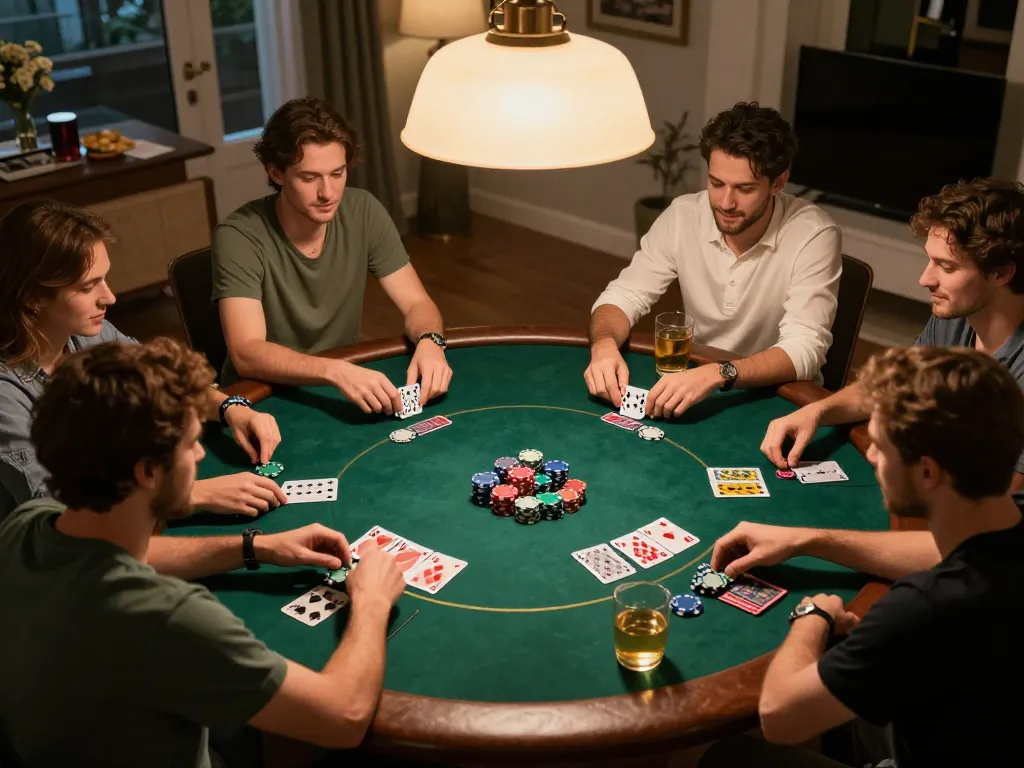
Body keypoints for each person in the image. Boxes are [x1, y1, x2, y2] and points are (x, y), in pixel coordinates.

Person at [0, 338, 407, 766]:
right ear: (148, 472)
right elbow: (344, 717)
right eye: (191, 442)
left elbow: (120, 560)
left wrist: (253, 547)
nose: (199, 453)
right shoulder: (164, 617)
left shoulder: (27, 525)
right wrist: (372, 601)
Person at [700, 345, 1023, 768]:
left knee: (731, 757)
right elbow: (935, 553)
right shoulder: (1000, 529)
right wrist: (805, 539)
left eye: (881, 446)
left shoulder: (924, 607)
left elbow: (780, 717)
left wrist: (814, 615)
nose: (869, 454)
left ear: (928, 473)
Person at [0, 200, 288, 524]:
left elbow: (163, 385)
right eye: (87, 286)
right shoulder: (4, 394)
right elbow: (60, 515)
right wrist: (196, 494)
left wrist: (231, 408)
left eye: (104, 279)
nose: (109, 297)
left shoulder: (88, 334)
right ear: (32, 298)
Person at [761, 177, 1024, 490]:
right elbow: (895, 385)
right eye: (930, 260)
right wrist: (817, 411)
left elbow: (999, 492)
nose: (925, 279)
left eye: (947, 267)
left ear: (1000, 272)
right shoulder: (958, 318)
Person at [585, 101, 841, 418]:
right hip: (698, 385)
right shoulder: (683, 215)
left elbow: (806, 349)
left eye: (744, 189)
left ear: (778, 183)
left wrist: (719, 373)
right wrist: (604, 344)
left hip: (780, 398)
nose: (725, 202)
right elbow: (624, 295)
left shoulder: (814, 234)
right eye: (716, 183)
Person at [213, 96, 452, 413]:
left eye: (337, 174)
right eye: (309, 178)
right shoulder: (238, 235)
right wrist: (333, 370)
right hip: (259, 396)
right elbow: (247, 353)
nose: (328, 193)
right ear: (276, 172)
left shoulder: (363, 210)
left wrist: (430, 341)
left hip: (338, 386)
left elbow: (416, 303)